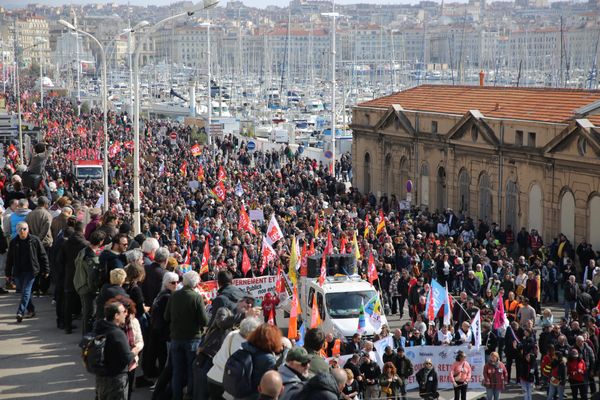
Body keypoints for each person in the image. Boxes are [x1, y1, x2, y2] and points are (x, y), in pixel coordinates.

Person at [164, 270, 209, 400]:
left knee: (177, 371)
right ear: (195, 284)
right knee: (191, 370)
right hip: (192, 339)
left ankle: (176, 396)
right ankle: (189, 395)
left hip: (176, 338)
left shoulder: (174, 295)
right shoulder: (196, 297)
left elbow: (166, 317)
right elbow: (204, 321)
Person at [223, 323, 283, 400]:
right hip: (253, 396)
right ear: (274, 339)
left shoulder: (246, 348)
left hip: (239, 394)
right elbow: (272, 382)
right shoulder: (268, 359)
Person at [6, 221, 50, 322]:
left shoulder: (34, 240)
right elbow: (9, 259)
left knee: (26, 291)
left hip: (31, 271)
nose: (22, 231)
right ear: (17, 231)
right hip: (19, 271)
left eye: (24, 229)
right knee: (24, 292)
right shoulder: (14, 242)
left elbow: (43, 255)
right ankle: (31, 309)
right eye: (20, 229)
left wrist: (46, 269)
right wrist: (8, 274)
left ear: (28, 229)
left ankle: (20, 312)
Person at [93, 300, 135, 400]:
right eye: (124, 311)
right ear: (116, 316)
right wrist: (134, 351)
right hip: (116, 379)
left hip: (101, 377)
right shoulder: (117, 333)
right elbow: (127, 358)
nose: (126, 314)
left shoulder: (98, 328)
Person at [56, 220, 88, 333]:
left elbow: (60, 260)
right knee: (85, 302)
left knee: (68, 302)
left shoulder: (66, 243)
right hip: (81, 275)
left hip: (69, 274)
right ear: (83, 230)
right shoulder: (85, 244)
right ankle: (85, 328)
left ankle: (67, 325)